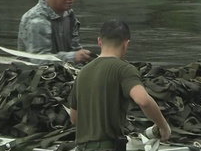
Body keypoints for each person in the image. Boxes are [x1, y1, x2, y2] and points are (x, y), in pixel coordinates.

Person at [69, 19, 171, 151]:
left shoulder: (82, 73)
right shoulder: (124, 69)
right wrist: (163, 126)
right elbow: (143, 100)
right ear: (126, 44)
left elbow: (74, 118)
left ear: (99, 41)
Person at [17, 0, 91, 64]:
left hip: (63, 72)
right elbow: (39, 60)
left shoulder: (69, 15)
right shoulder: (36, 20)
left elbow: (75, 48)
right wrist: (73, 57)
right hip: (34, 75)